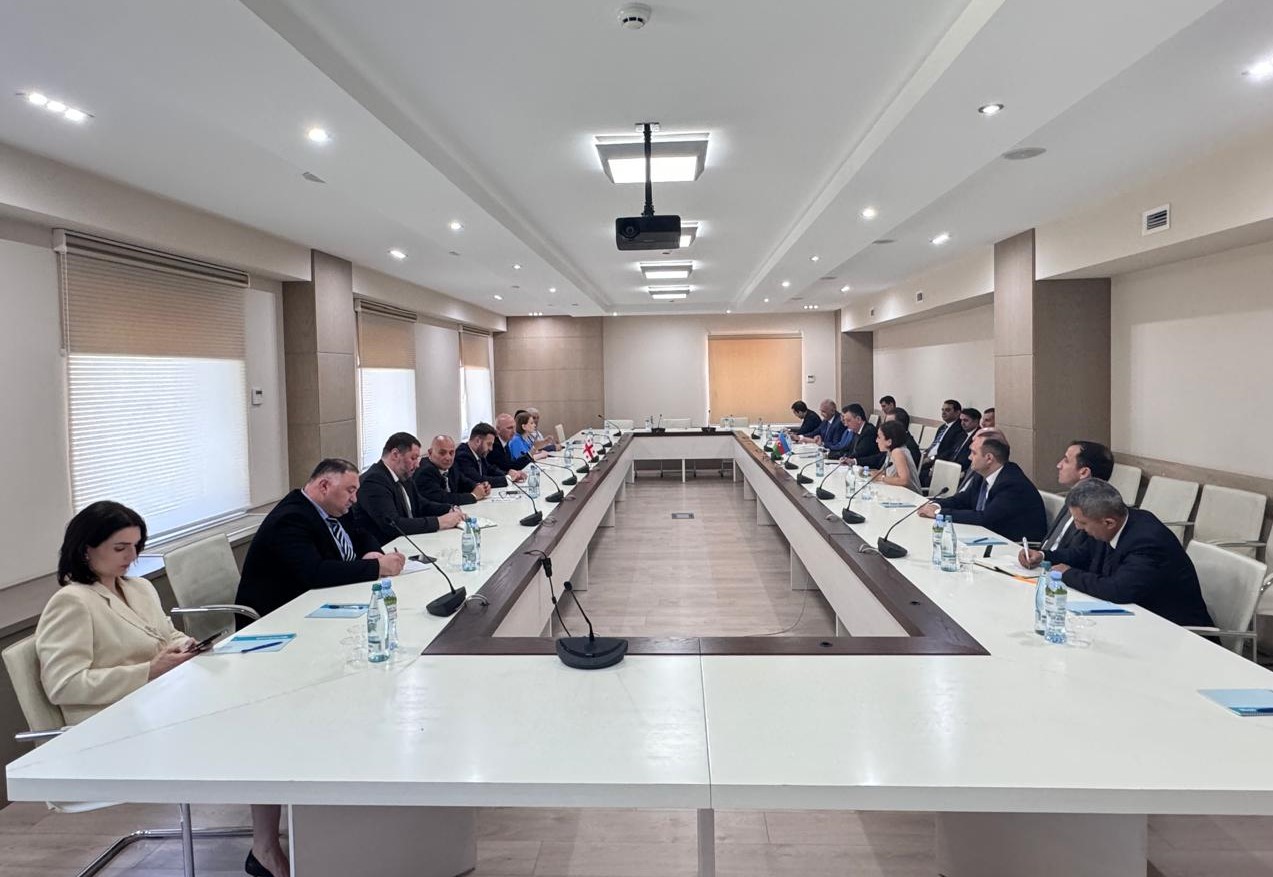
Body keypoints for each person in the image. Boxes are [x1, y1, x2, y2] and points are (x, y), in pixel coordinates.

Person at [37, 502, 289, 877]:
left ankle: (269, 842)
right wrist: (148, 672)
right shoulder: (72, 602)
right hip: (110, 730)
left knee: (264, 713)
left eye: (136, 546)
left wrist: (186, 645)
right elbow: (64, 685)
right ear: (86, 549)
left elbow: (164, 635)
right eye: (120, 548)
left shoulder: (137, 588)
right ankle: (267, 846)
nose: (131, 557)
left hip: (159, 706)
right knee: (258, 730)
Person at [1019, 478, 1213, 627]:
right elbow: (1082, 554)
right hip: (1135, 620)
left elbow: (1118, 589)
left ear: (1108, 522)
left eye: (1082, 522)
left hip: (1175, 632)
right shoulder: (1111, 524)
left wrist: (1067, 574)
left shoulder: (1147, 541)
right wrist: (1043, 556)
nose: (1078, 528)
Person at [235, 458, 405, 620]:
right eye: (350, 490)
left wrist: (372, 552)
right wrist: (377, 567)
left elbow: (361, 534)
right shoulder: (290, 519)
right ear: (324, 486)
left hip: (329, 597)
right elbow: (315, 572)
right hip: (282, 613)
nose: (354, 499)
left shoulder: (334, 507)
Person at [918, 435, 1047, 542]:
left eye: (974, 453)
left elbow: (985, 518)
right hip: (988, 537)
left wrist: (938, 513)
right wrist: (935, 505)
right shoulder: (982, 475)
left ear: (989, 458)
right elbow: (962, 500)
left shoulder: (1012, 484)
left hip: (1014, 547)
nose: (969, 457)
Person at [349, 432, 465, 545]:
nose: (417, 465)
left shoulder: (403, 476)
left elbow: (421, 505)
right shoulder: (373, 481)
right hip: (386, 549)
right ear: (395, 454)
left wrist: (449, 509)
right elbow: (394, 524)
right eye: (413, 458)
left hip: (409, 543)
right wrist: (440, 522)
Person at [1042, 440, 1115, 552]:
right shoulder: (1073, 497)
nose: (1059, 465)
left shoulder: (1096, 513)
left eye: (1066, 460)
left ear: (1084, 472)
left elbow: (1079, 556)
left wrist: (1044, 556)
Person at [414, 435, 491, 506]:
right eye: (442, 453)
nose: (448, 458)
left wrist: (479, 487)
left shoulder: (452, 466)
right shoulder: (425, 471)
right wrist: (473, 496)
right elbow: (443, 498)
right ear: (430, 453)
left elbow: (463, 482)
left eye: (451, 453)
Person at [455, 422, 525, 488]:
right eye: (489, 444)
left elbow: (491, 469)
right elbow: (477, 479)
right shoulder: (463, 455)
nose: (491, 449)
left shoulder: (479, 453)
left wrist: (509, 474)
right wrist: (507, 479)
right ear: (477, 441)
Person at [875, 421, 921, 493]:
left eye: (879, 437)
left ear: (889, 442)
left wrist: (882, 478)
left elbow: (904, 481)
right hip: (897, 492)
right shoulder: (890, 451)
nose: (876, 441)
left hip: (909, 495)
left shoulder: (897, 452)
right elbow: (886, 473)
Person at [950, 408, 981, 472]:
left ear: (976, 421)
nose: (962, 423)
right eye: (961, 420)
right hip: (951, 466)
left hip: (963, 470)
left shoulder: (979, 437)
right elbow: (951, 451)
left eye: (965, 420)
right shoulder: (961, 434)